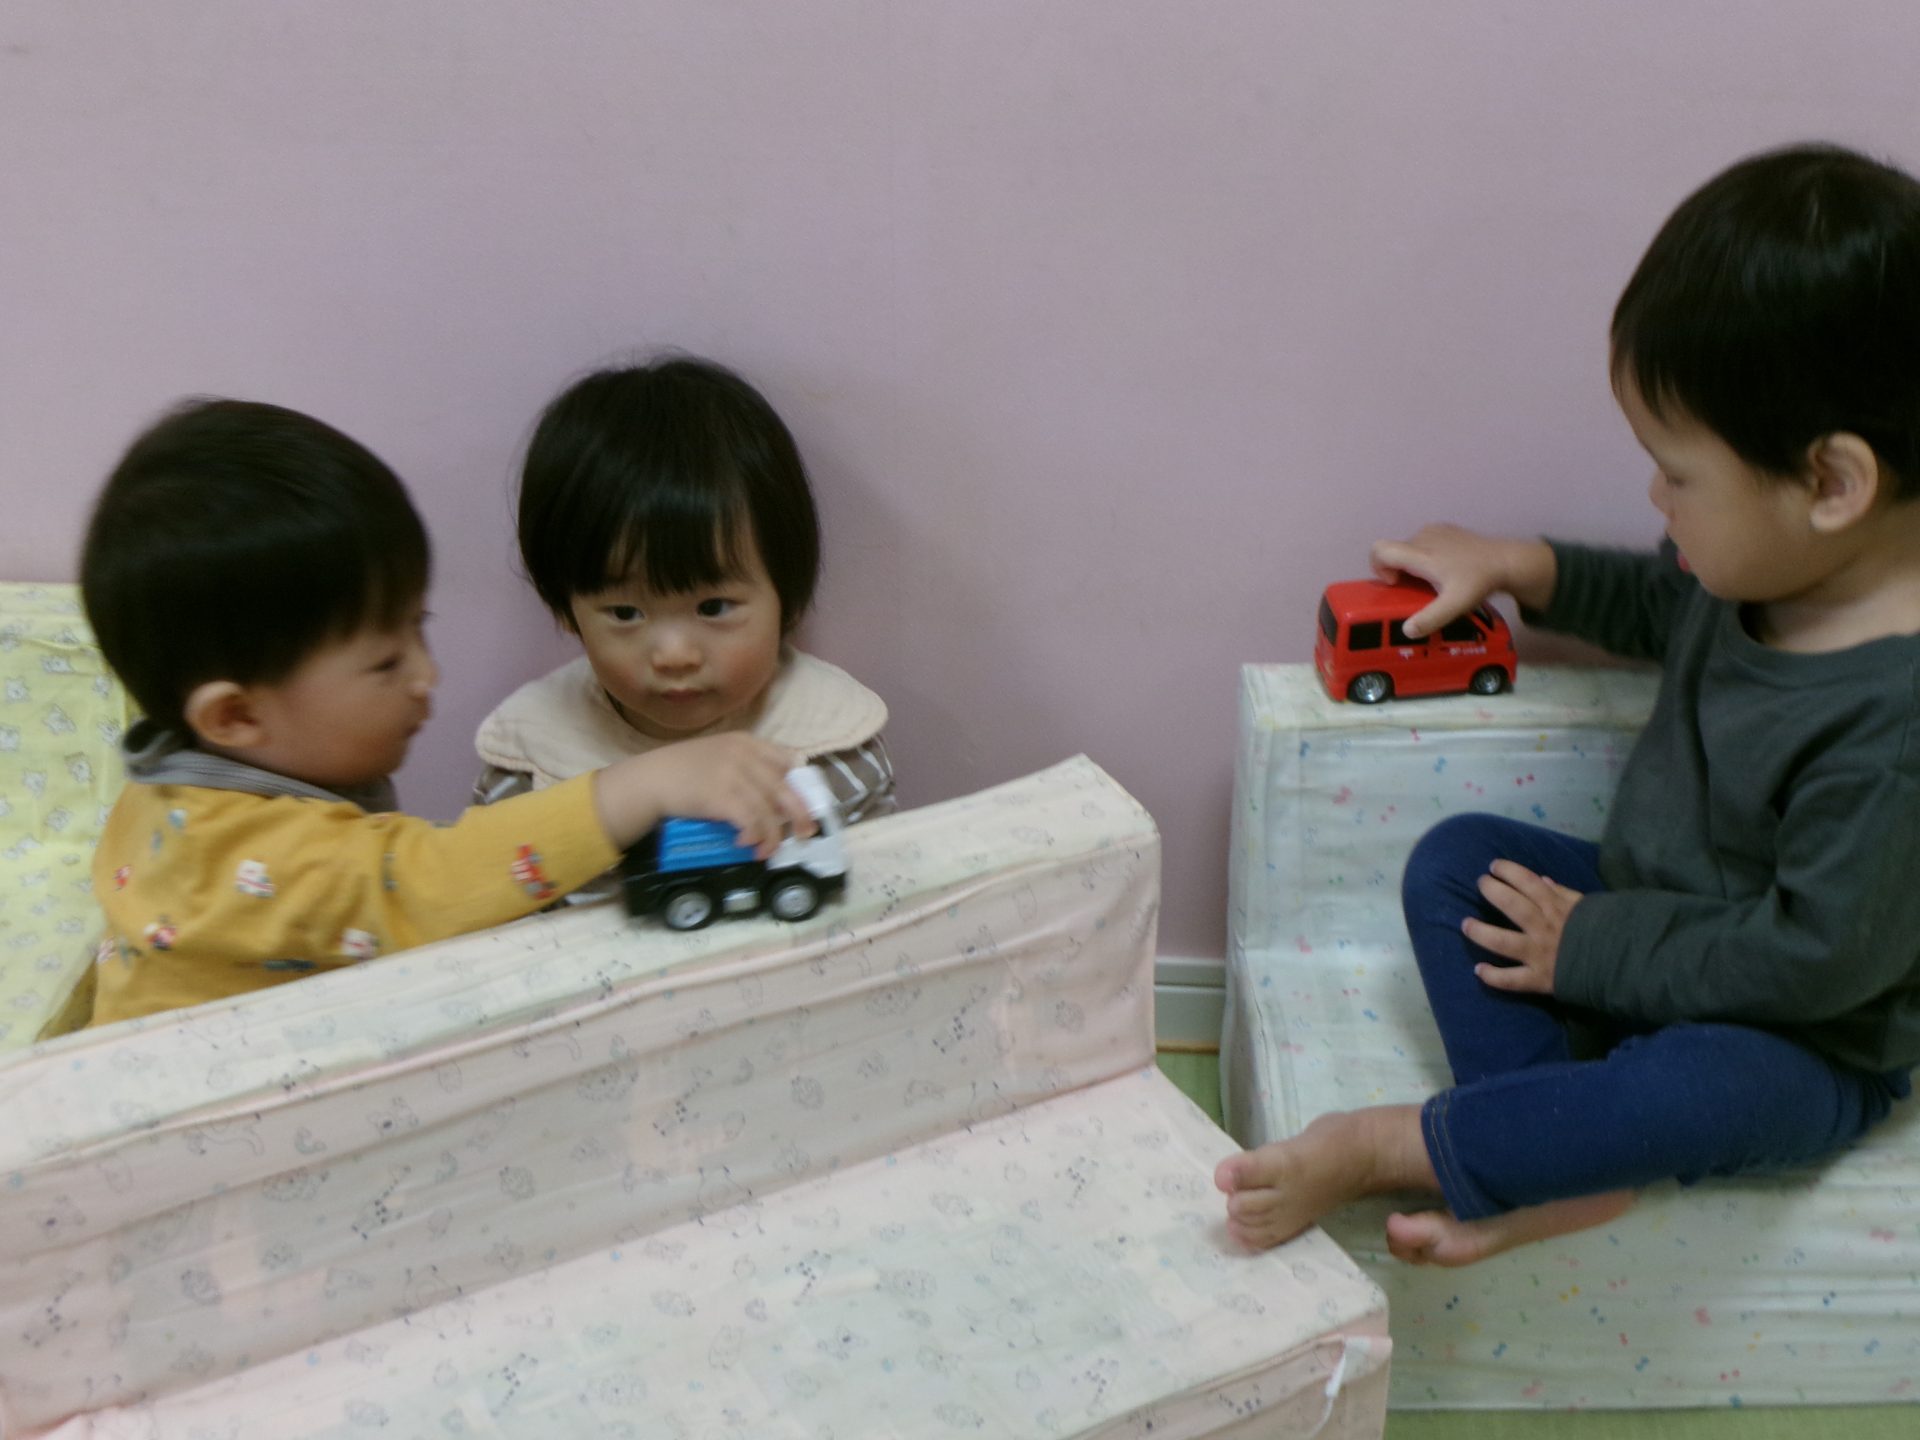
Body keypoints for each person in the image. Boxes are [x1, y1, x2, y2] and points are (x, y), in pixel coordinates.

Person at [1217, 142, 1920, 1265]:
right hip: (1651, 913)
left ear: (1832, 484)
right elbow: (1654, 598)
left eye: (1678, 474)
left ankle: (1407, 1143)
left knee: (1704, 1084)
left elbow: (1811, 963)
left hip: (1804, 1032)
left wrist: (1590, 949)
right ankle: (1550, 1153)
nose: (1656, 497)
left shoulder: (1891, 727)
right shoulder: (1762, 571)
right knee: (1459, 865)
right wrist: (1517, 565)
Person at [80, 398, 811, 1026]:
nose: (427, 675)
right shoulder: (254, 859)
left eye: (418, 628)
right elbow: (421, 881)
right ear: (235, 717)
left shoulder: (163, 785)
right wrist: (642, 786)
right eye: (385, 662)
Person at [473, 356, 893, 897]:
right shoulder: (529, 766)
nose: (674, 655)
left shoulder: (833, 749)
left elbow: (884, 906)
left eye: (714, 607)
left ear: (786, 599)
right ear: (565, 610)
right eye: (626, 613)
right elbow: (481, 911)